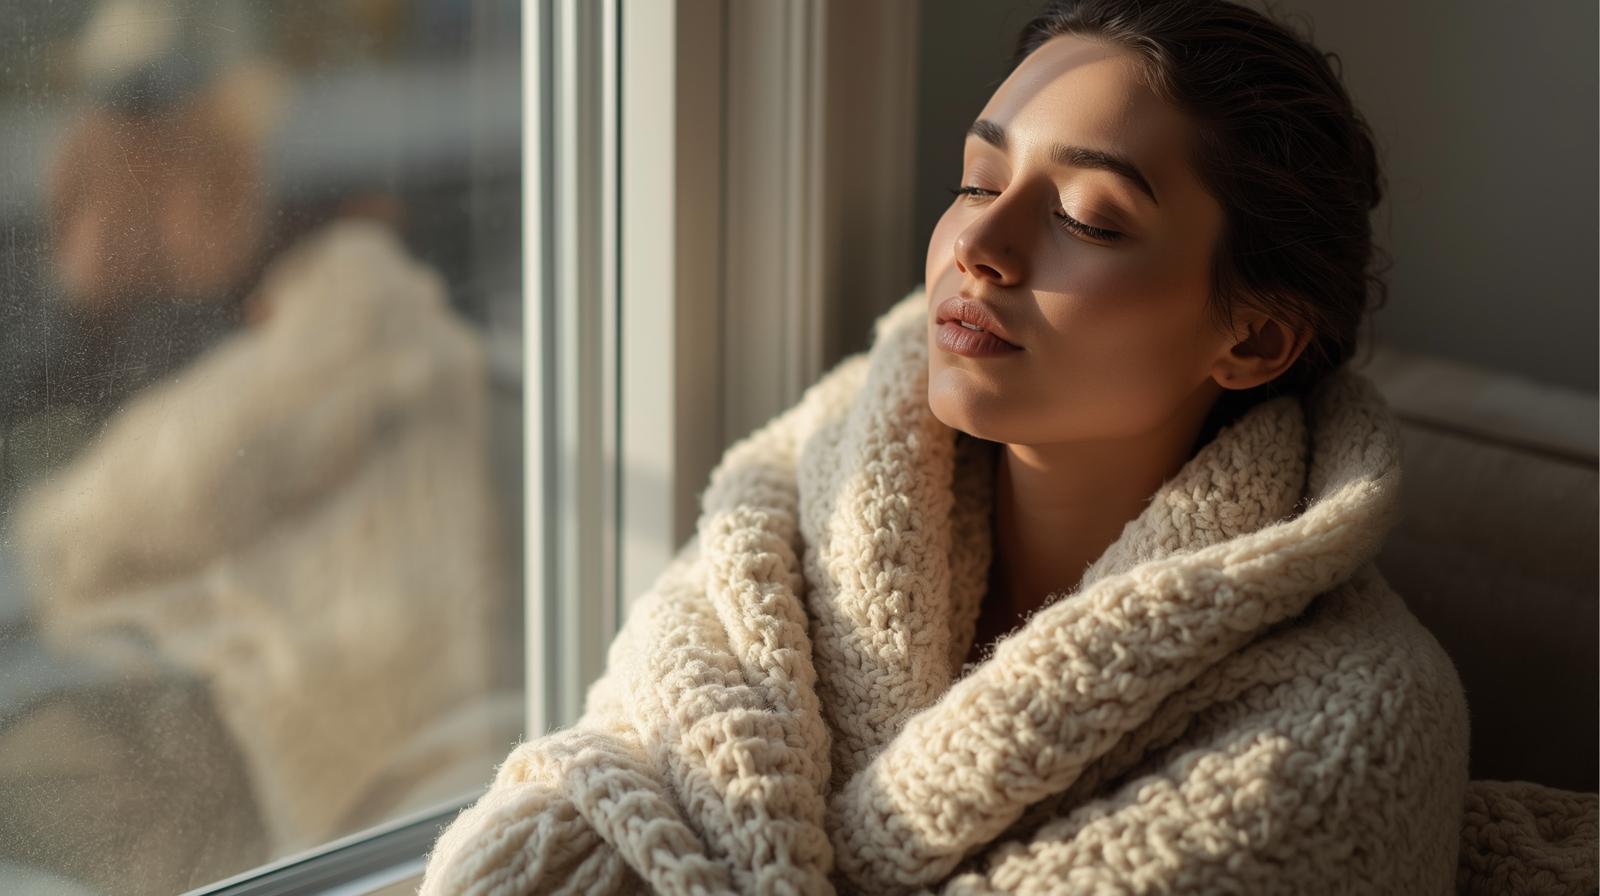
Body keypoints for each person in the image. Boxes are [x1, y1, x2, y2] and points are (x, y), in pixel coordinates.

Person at [419, 2, 1597, 893]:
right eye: (977, 178)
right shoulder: (789, 506)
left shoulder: (1351, 722)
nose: (979, 240)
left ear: (1251, 339)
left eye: (1088, 217)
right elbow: (601, 770)